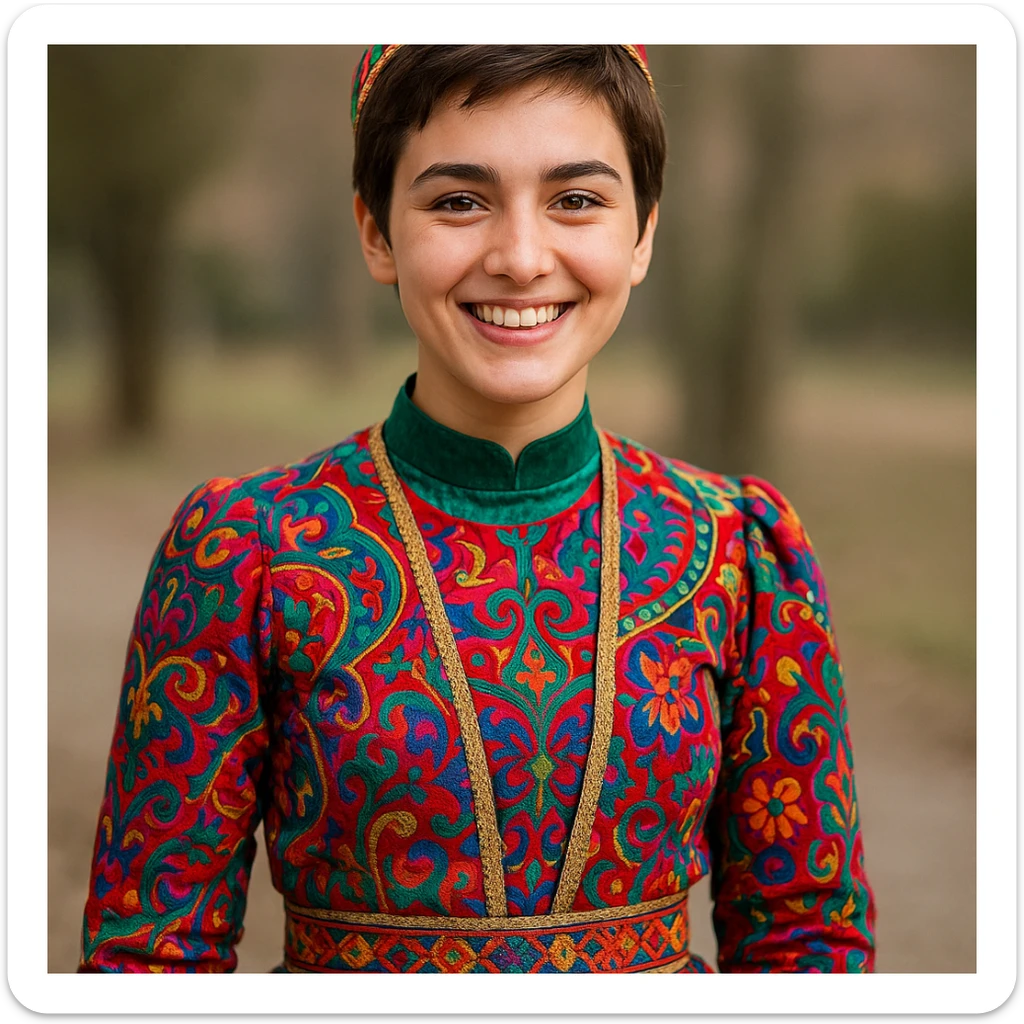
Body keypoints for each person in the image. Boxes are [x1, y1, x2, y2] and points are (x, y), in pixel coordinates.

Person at [79, 44, 875, 974]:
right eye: (459, 200)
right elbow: (148, 956)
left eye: (577, 199)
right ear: (377, 232)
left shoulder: (736, 553)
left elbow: (806, 944)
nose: (522, 257)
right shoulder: (246, 553)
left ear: (644, 233)